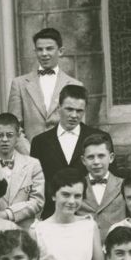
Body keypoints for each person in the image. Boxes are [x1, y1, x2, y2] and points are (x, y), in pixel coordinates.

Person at [30, 84, 103, 218]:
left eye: (79, 111)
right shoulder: (40, 142)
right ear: (58, 108)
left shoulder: (99, 138)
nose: (74, 115)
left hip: (88, 216)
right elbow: (35, 184)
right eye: (69, 109)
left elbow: (109, 179)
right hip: (52, 217)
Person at [7, 27, 82, 155]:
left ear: (60, 51)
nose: (44, 53)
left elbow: (78, 126)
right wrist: (32, 155)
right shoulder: (19, 84)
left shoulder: (76, 85)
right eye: (40, 49)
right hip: (31, 158)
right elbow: (14, 127)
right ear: (35, 51)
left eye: (49, 48)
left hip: (65, 156)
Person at [0, 112, 45, 229]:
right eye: (0, 135)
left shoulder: (32, 164)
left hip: (25, 230)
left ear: (18, 136)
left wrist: (8, 214)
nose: (4, 139)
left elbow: (37, 201)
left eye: (9, 135)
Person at [78, 132, 126, 241]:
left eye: (101, 156)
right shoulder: (77, 188)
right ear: (83, 160)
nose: (96, 162)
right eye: (90, 157)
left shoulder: (124, 185)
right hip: (86, 249)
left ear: (111, 157)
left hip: (117, 249)